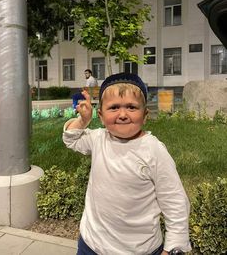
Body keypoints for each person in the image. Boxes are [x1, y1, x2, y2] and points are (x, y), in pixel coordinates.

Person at [63, 72, 191, 255]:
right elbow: (71, 139)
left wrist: (173, 247)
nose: (122, 114)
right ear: (100, 115)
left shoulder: (153, 150)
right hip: (91, 244)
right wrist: (82, 121)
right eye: (114, 107)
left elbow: (175, 201)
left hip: (139, 249)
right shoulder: (99, 138)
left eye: (131, 107)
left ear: (145, 115)